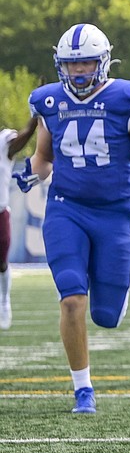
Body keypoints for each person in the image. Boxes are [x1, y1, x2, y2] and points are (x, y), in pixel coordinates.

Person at [12, 23, 130, 414]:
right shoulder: (50, 101)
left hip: (114, 214)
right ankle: (83, 388)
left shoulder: (127, 99)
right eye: (71, 64)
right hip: (66, 208)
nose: (79, 71)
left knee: (107, 317)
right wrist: (32, 171)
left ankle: (117, 293)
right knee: (71, 299)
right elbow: (46, 157)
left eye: (85, 62)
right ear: (59, 65)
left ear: (102, 62)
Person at [1, 113, 38, 329]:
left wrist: (35, 118)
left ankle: (4, 301)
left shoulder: (4, 142)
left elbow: (23, 137)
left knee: (2, 262)